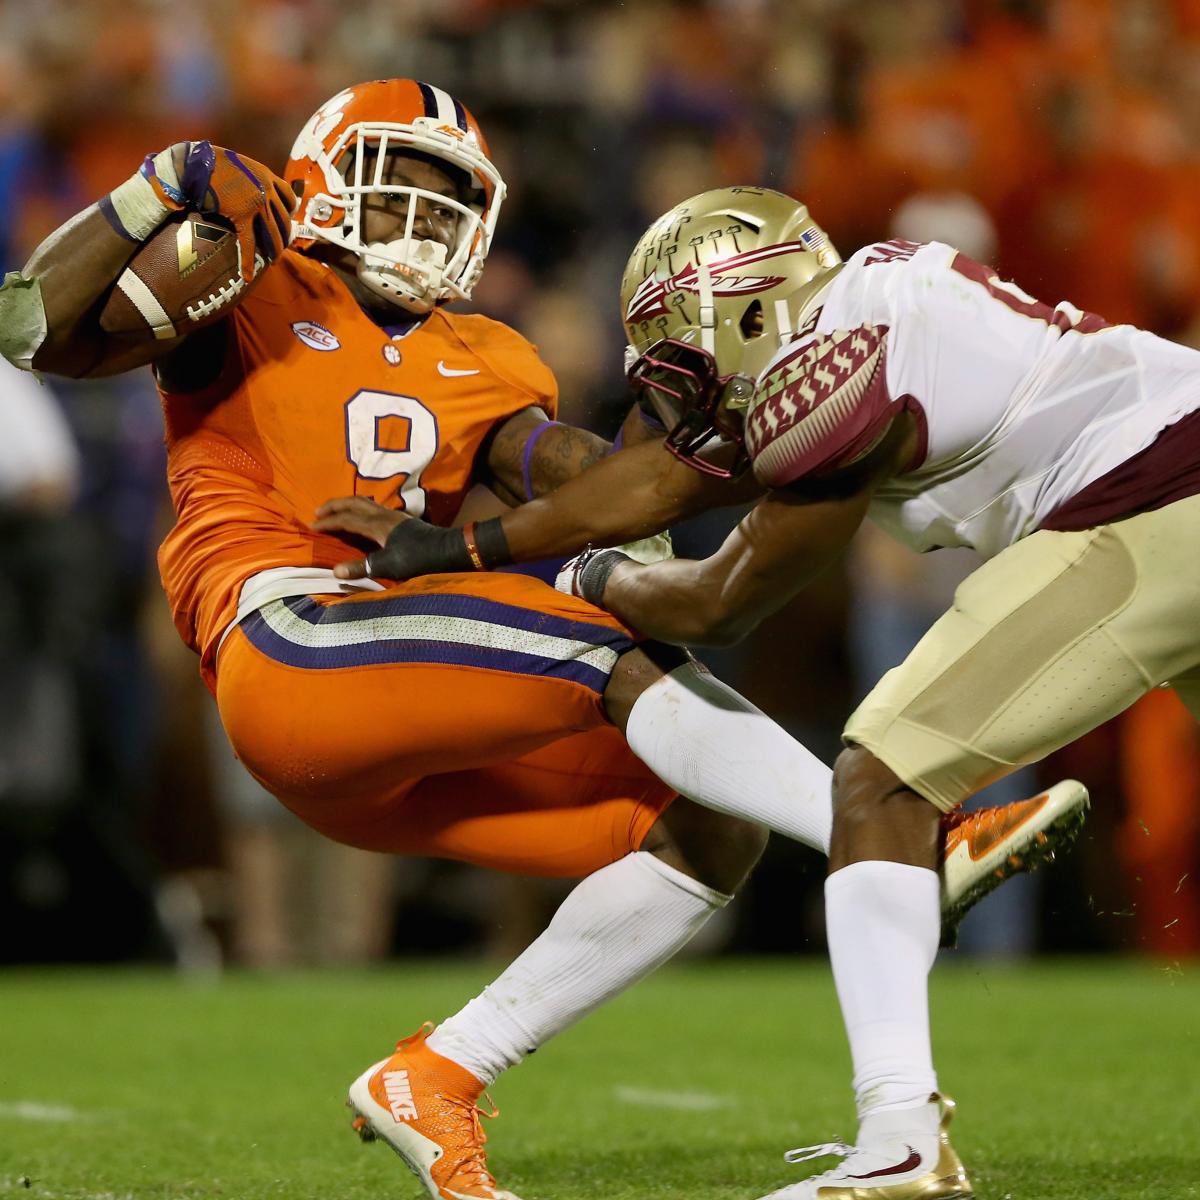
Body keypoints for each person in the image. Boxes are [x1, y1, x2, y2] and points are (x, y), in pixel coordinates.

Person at [3, 94, 1073, 1200]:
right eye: (403, 179)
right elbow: (32, 326)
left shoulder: (494, 353)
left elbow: (566, 472)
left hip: (393, 710)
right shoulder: (256, 281)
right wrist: (157, 191)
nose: (425, 213)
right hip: (286, 639)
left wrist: (693, 430)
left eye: (451, 194)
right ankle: (908, 842)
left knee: (706, 836)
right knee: (604, 652)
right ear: (323, 174)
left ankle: (441, 1073)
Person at [335, 184, 1189, 1198]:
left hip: (1157, 505)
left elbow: (716, 603)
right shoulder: (862, 310)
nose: (680, 397)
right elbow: (655, 482)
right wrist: (459, 546)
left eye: (684, 361)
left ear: (749, 310)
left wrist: (583, 580)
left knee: (879, 781)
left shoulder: (833, 371)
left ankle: (900, 1141)